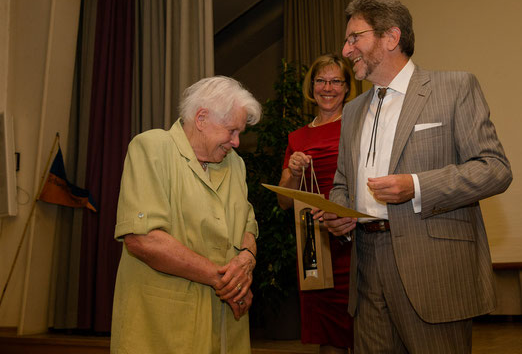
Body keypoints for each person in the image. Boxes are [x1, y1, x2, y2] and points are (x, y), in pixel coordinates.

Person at [321, 0, 513, 353]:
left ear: (391, 37)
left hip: (432, 269)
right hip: (366, 267)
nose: (346, 50)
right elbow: (343, 183)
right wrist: (339, 210)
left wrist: (417, 185)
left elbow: (495, 169)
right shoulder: (353, 110)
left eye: (354, 38)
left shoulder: (454, 88)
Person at [110, 76, 262, 354]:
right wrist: (225, 281)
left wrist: (246, 262)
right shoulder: (152, 148)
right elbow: (143, 239)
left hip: (226, 327)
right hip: (163, 327)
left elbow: (248, 226)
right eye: (232, 131)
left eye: (240, 132)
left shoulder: (235, 164)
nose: (237, 142)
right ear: (201, 118)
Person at [277, 54, 356, 353]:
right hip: (315, 244)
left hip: (355, 241)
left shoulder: (359, 126)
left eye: (336, 81)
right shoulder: (297, 138)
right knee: (327, 333)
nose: (328, 88)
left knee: (366, 330)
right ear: (312, 86)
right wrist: (295, 173)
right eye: (321, 80)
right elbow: (284, 201)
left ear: (347, 87)